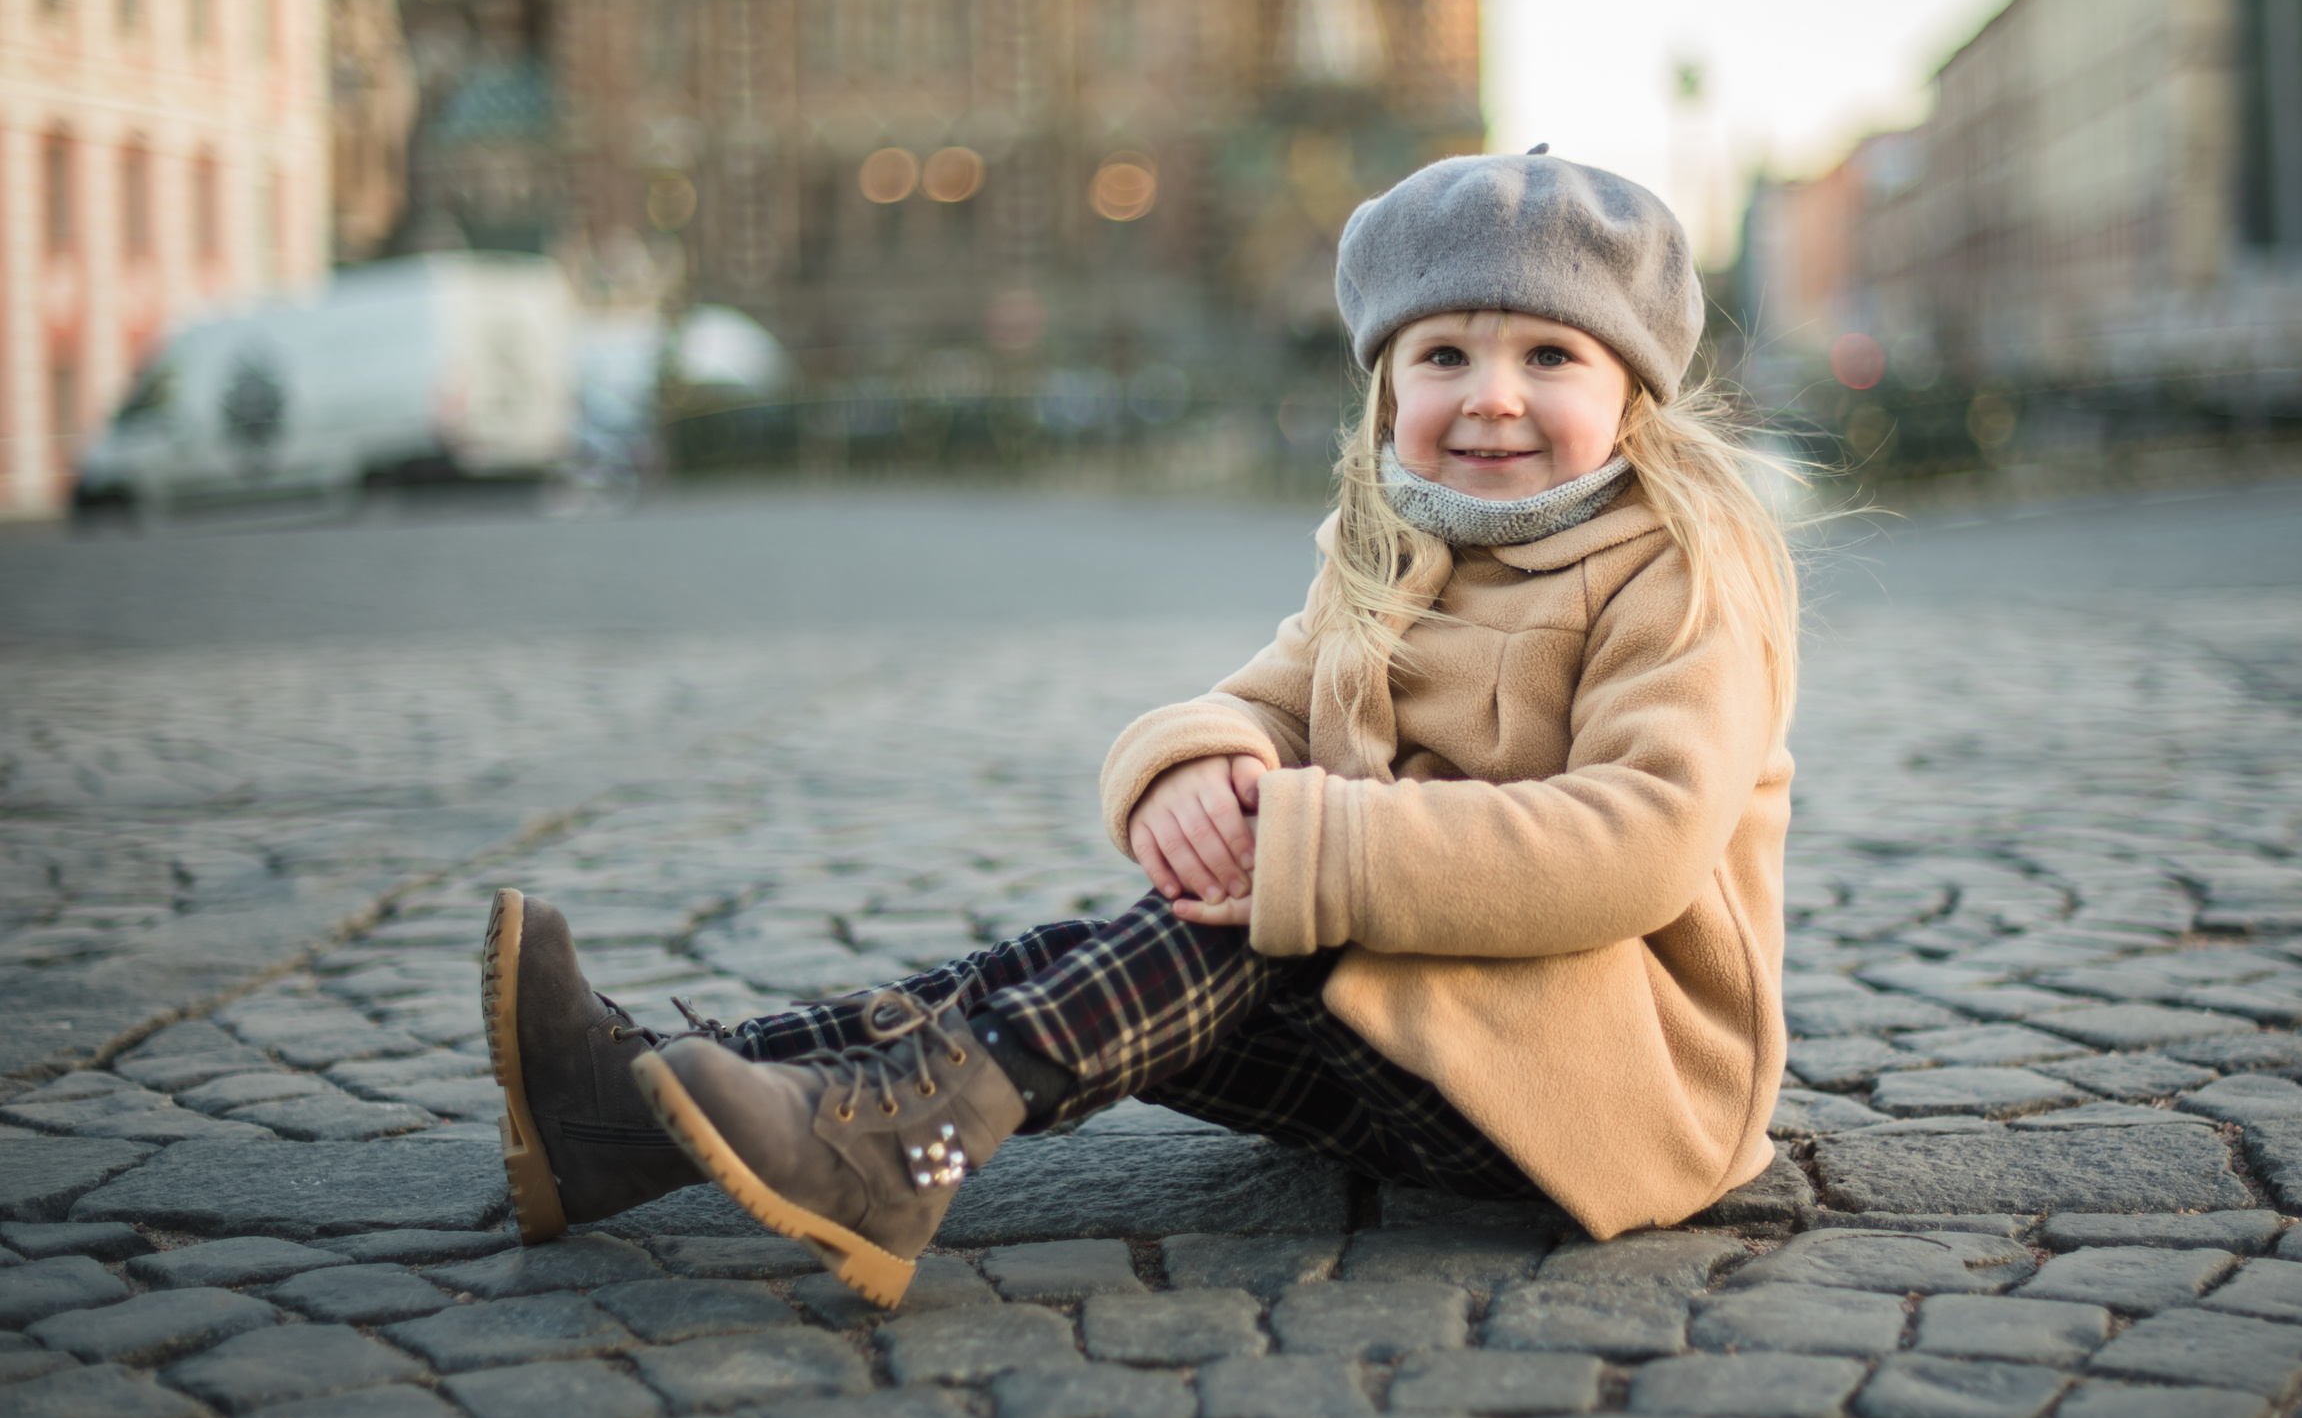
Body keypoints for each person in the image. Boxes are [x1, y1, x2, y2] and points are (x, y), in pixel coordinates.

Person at [477, 150, 1800, 1308]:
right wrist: (1196, 759)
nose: (1492, 395)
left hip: (1603, 1087)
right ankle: (628, 1109)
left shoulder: (1678, 567)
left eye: (1549, 355)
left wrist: (1311, 842)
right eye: (1444, 354)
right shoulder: (1391, 546)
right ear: (1388, 387)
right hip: (1421, 1024)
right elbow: (1260, 699)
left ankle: (903, 1152)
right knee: (1074, 956)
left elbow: (1642, 839)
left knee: (1255, 912)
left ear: (1633, 392)